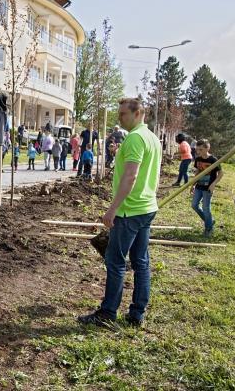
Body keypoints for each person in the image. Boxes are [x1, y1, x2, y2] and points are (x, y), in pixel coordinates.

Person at [78, 97, 161, 327]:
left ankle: (107, 313)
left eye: (123, 113)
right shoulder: (152, 138)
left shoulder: (135, 138)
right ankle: (137, 314)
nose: (119, 118)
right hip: (146, 207)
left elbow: (131, 175)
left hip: (129, 210)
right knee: (141, 261)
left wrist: (112, 209)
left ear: (137, 114)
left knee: (115, 261)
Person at [191, 139, 224, 237]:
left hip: (208, 188)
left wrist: (213, 184)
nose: (198, 152)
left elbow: (221, 173)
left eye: (200, 149)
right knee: (194, 205)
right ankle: (209, 221)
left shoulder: (213, 160)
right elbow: (197, 172)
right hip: (199, 186)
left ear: (207, 148)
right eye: (197, 150)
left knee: (206, 208)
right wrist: (192, 184)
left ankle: (209, 229)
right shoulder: (198, 159)